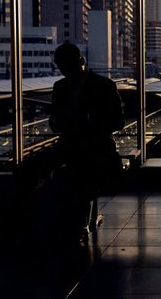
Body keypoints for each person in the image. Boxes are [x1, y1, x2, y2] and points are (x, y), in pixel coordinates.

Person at [50, 42, 125, 246]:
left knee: (80, 172)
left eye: (66, 67)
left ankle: (76, 225)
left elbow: (118, 121)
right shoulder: (64, 87)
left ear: (80, 62)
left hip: (94, 145)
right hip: (76, 145)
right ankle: (76, 223)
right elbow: (53, 123)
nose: (65, 72)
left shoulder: (103, 86)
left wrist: (89, 123)